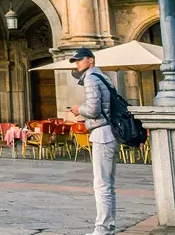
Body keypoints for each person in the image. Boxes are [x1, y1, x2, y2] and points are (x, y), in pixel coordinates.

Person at [69, 48, 117, 235]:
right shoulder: (105, 78)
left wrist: (78, 109)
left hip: (102, 135)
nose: (77, 63)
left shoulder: (90, 78)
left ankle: (102, 229)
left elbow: (94, 109)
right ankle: (108, 226)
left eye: (80, 60)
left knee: (101, 184)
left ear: (91, 60)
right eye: (76, 61)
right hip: (111, 132)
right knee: (108, 184)